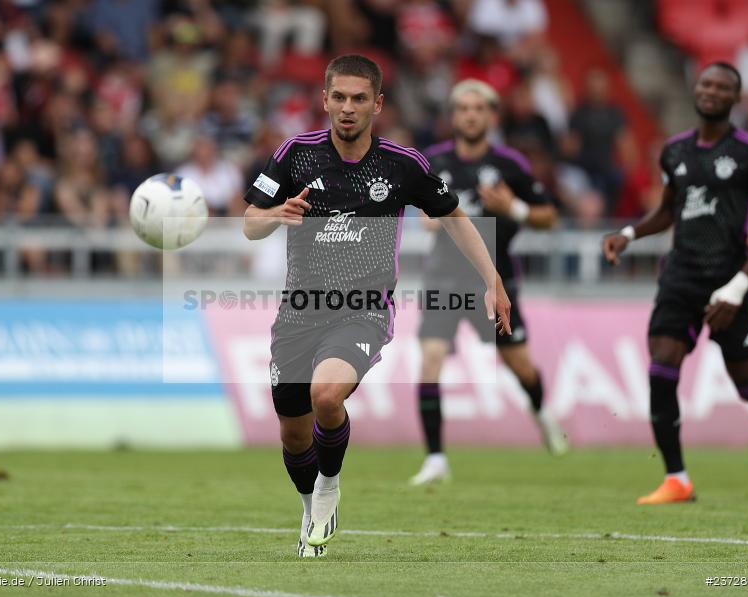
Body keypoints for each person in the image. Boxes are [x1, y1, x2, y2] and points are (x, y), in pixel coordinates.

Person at [242, 55, 511, 557]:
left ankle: (329, 486)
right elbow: (249, 222)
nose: (348, 108)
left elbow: (454, 218)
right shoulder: (294, 154)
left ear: (377, 104)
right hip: (299, 310)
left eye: (359, 98)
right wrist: (278, 212)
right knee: (294, 433)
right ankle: (310, 505)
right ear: (324, 100)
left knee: (327, 396)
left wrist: (492, 279)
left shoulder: (402, 165)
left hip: (363, 307)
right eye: (339, 97)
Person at [602, 63, 748, 505]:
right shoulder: (675, 151)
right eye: (706, 84)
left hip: (728, 281)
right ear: (695, 90)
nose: (712, 92)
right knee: (662, 369)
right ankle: (677, 479)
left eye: (723, 87)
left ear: (736, 98)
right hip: (680, 277)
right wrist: (629, 234)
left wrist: (740, 284)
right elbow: (668, 211)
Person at [409, 79, 566, 487]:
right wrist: (426, 218)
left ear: (491, 116)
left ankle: (539, 409)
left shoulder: (510, 165)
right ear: (453, 115)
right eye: (463, 108)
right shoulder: (433, 162)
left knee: (520, 365)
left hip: (495, 280)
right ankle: (436, 458)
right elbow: (421, 212)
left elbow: (549, 216)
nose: (471, 115)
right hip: (444, 277)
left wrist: (512, 206)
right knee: (429, 361)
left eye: (479, 108)